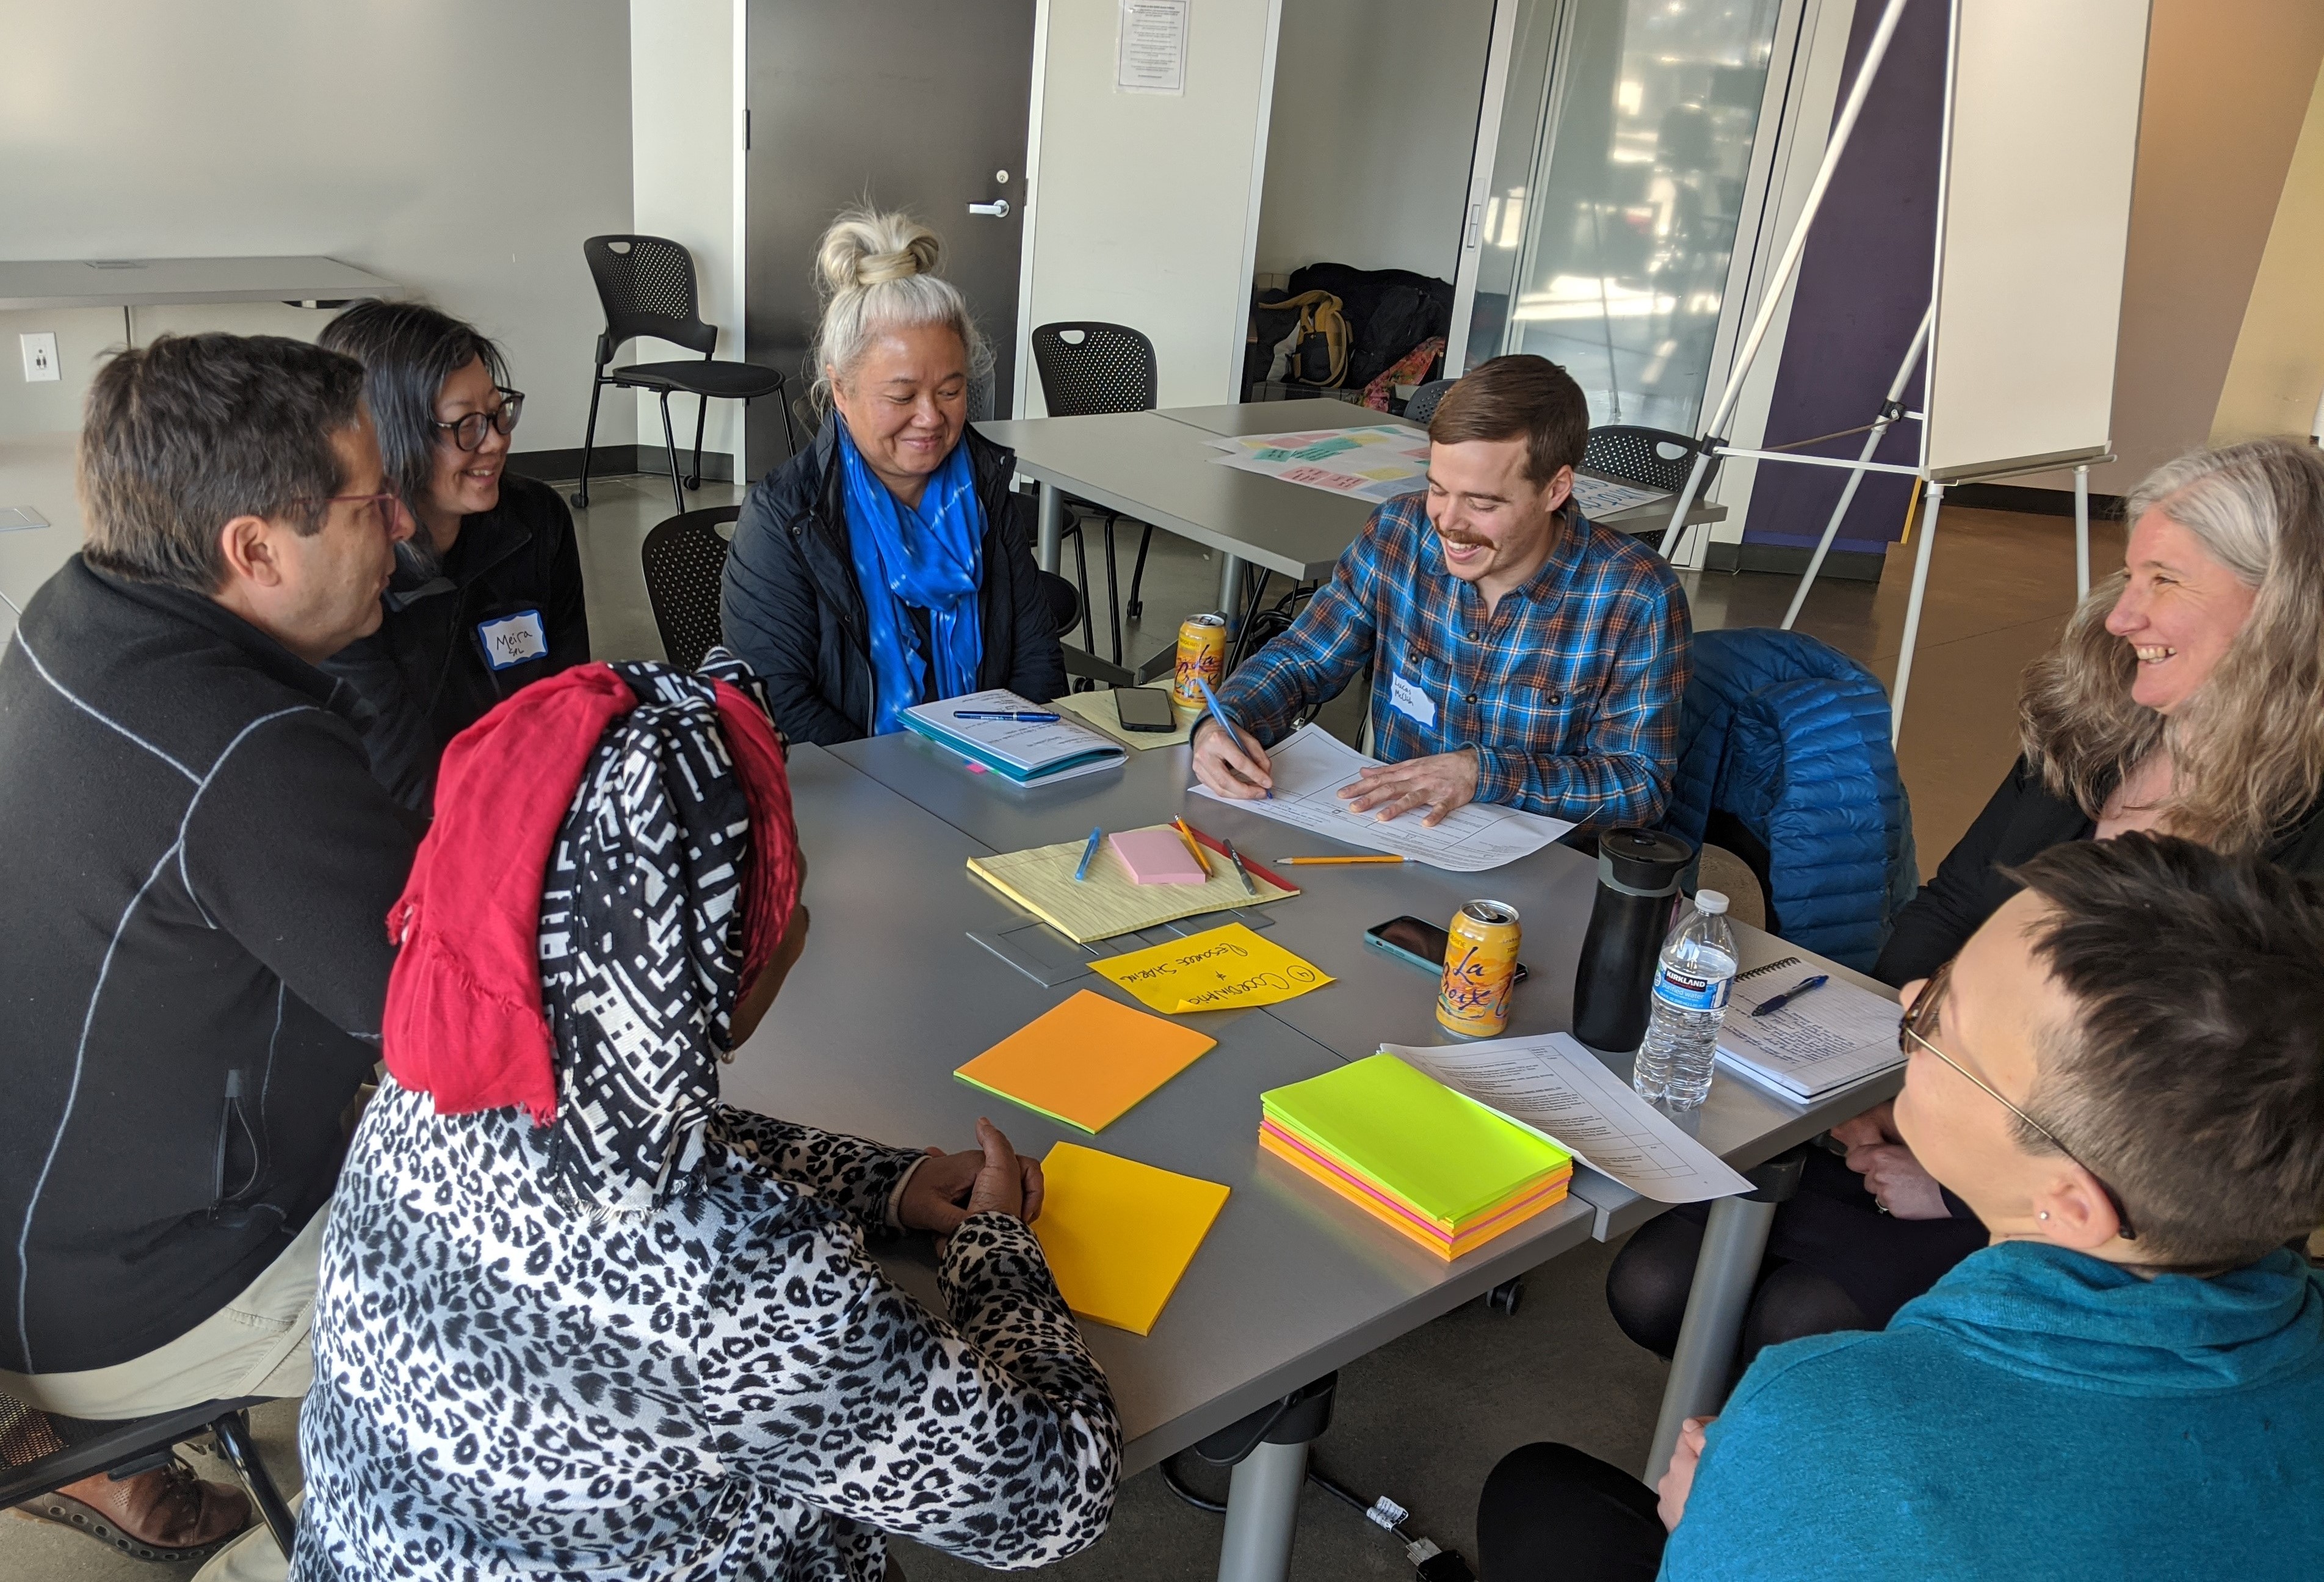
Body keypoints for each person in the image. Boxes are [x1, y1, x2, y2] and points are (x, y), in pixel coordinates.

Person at [289, 652, 1119, 1581]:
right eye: (776, 903)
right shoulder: (733, 1281)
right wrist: (993, 1246)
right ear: (715, 980)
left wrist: (878, 1183)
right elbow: (1053, 1496)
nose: (796, 924)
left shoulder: (425, 1089)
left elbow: (668, 1150)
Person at [1607, 437, 2324, 1365]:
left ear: (2282, 609)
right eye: (2126, 571)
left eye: (2164, 580)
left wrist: (1960, 1180)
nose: (2122, 616)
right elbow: (1949, 907)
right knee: (1655, 1286)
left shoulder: (2301, 839)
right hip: (1931, 1104)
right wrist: (1869, 1078)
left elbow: (2241, 1127)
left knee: (1803, 1323)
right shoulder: (2097, 724)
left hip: (2107, 1211)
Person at [1482, 833, 2324, 1580]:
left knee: (1538, 1496)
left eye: (1935, 1019)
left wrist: (1722, 1521)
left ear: (2067, 1203)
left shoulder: (1823, 1418)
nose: (1906, 993)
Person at [0, 335, 418, 1563]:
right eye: (368, 502)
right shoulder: (247, 751)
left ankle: (109, 1450)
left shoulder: (74, 606)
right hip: (139, 1288)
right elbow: (461, 1029)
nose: (401, 524)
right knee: (538, 1328)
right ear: (252, 548)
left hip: (39, 1220)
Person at [1192, 355, 1689, 830]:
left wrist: (1483, 774)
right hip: (1393, 835)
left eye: (1481, 503)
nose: (1448, 523)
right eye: (1438, 489)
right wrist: (1225, 724)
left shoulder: (1636, 595)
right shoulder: (1399, 533)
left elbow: (1638, 785)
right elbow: (1302, 659)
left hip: (1540, 871)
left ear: (1554, 491)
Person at [720, 208, 1066, 744]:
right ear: (840, 389)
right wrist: (908, 786)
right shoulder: (786, 517)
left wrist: (1006, 765)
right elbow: (778, 702)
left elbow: (1036, 663)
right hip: (853, 795)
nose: (930, 417)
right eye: (902, 396)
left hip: (991, 775)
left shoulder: (985, 488)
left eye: (950, 392)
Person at [316, 299, 589, 813]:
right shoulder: (344, 572)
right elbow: (401, 782)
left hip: (538, 814)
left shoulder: (536, 523)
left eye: (497, 411)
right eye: (466, 424)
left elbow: (569, 707)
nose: (497, 440)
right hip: (414, 846)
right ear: (391, 437)